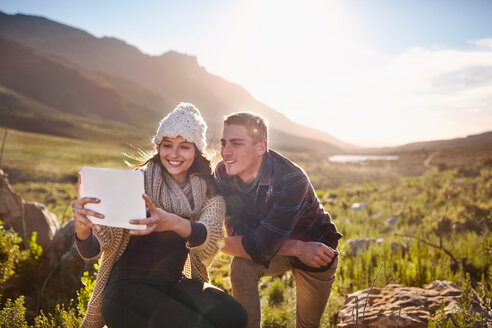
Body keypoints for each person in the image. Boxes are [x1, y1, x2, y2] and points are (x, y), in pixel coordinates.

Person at [73, 103, 247, 328]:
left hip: (173, 283)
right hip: (126, 288)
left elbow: (210, 241)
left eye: (184, 146)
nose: (173, 154)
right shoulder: (137, 182)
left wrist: (173, 222)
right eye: (167, 145)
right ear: (158, 147)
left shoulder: (208, 193)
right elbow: (93, 248)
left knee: (234, 317)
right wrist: (83, 230)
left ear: (196, 151)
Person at [214, 112, 343, 328]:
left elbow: (258, 245)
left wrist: (206, 240)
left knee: (308, 324)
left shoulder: (291, 178)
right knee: (241, 267)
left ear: (261, 147)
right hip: (294, 247)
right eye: (224, 143)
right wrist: (296, 247)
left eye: (236, 144)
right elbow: (243, 239)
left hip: (315, 250)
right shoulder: (223, 173)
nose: (226, 152)